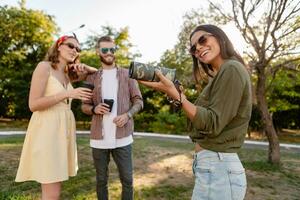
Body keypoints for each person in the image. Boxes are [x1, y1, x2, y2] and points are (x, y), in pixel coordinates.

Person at [139, 24, 252, 200]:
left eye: (202, 40)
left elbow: (212, 123)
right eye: (193, 48)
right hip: (214, 167)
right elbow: (203, 119)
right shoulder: (221, 74)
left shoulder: (231, 69)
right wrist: (177, 95)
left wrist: (178, 96)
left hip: (219, 169)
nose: (198, 47)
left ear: (220, 37)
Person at [15, 35, 97, 200]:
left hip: (63, 131)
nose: (75, 50)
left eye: (78, 49)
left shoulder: (68, 74)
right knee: (52, 191)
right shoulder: (44, 67)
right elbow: (33, 104)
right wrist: (67, 93)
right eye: (71, 46)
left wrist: (85, 66)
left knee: (55, 187)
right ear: (59, 46)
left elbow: (99, 74)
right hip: (47, 130)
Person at [81, 36, 143, 200]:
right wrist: (95, 109)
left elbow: (139, 101)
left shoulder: (128, 74)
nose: (109, 53)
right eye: (105, 50)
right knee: (101, 180)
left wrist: (128, 115)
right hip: (98, 139)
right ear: (98, 52)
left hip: (123, 137)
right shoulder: (91, 77)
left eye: (112, 49)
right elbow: (84, 106)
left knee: (127, 181)